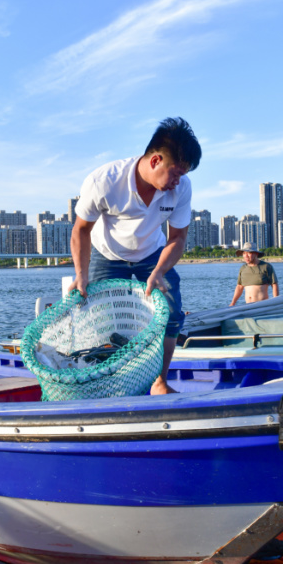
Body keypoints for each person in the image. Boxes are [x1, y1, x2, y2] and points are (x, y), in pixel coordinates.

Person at [70, 117, 201, 395]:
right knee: (105, 321)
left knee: (173, 314)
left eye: (183, 175)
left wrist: (160, 271)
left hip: (153, 252)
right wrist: (80, 275)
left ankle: (159, 382)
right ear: (155, 161)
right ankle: (109, 384)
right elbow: (81, 230)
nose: (178, 182)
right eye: (175, 174)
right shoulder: (104, 181)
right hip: (108, 254)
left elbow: (177, 239)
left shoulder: (182, 188)